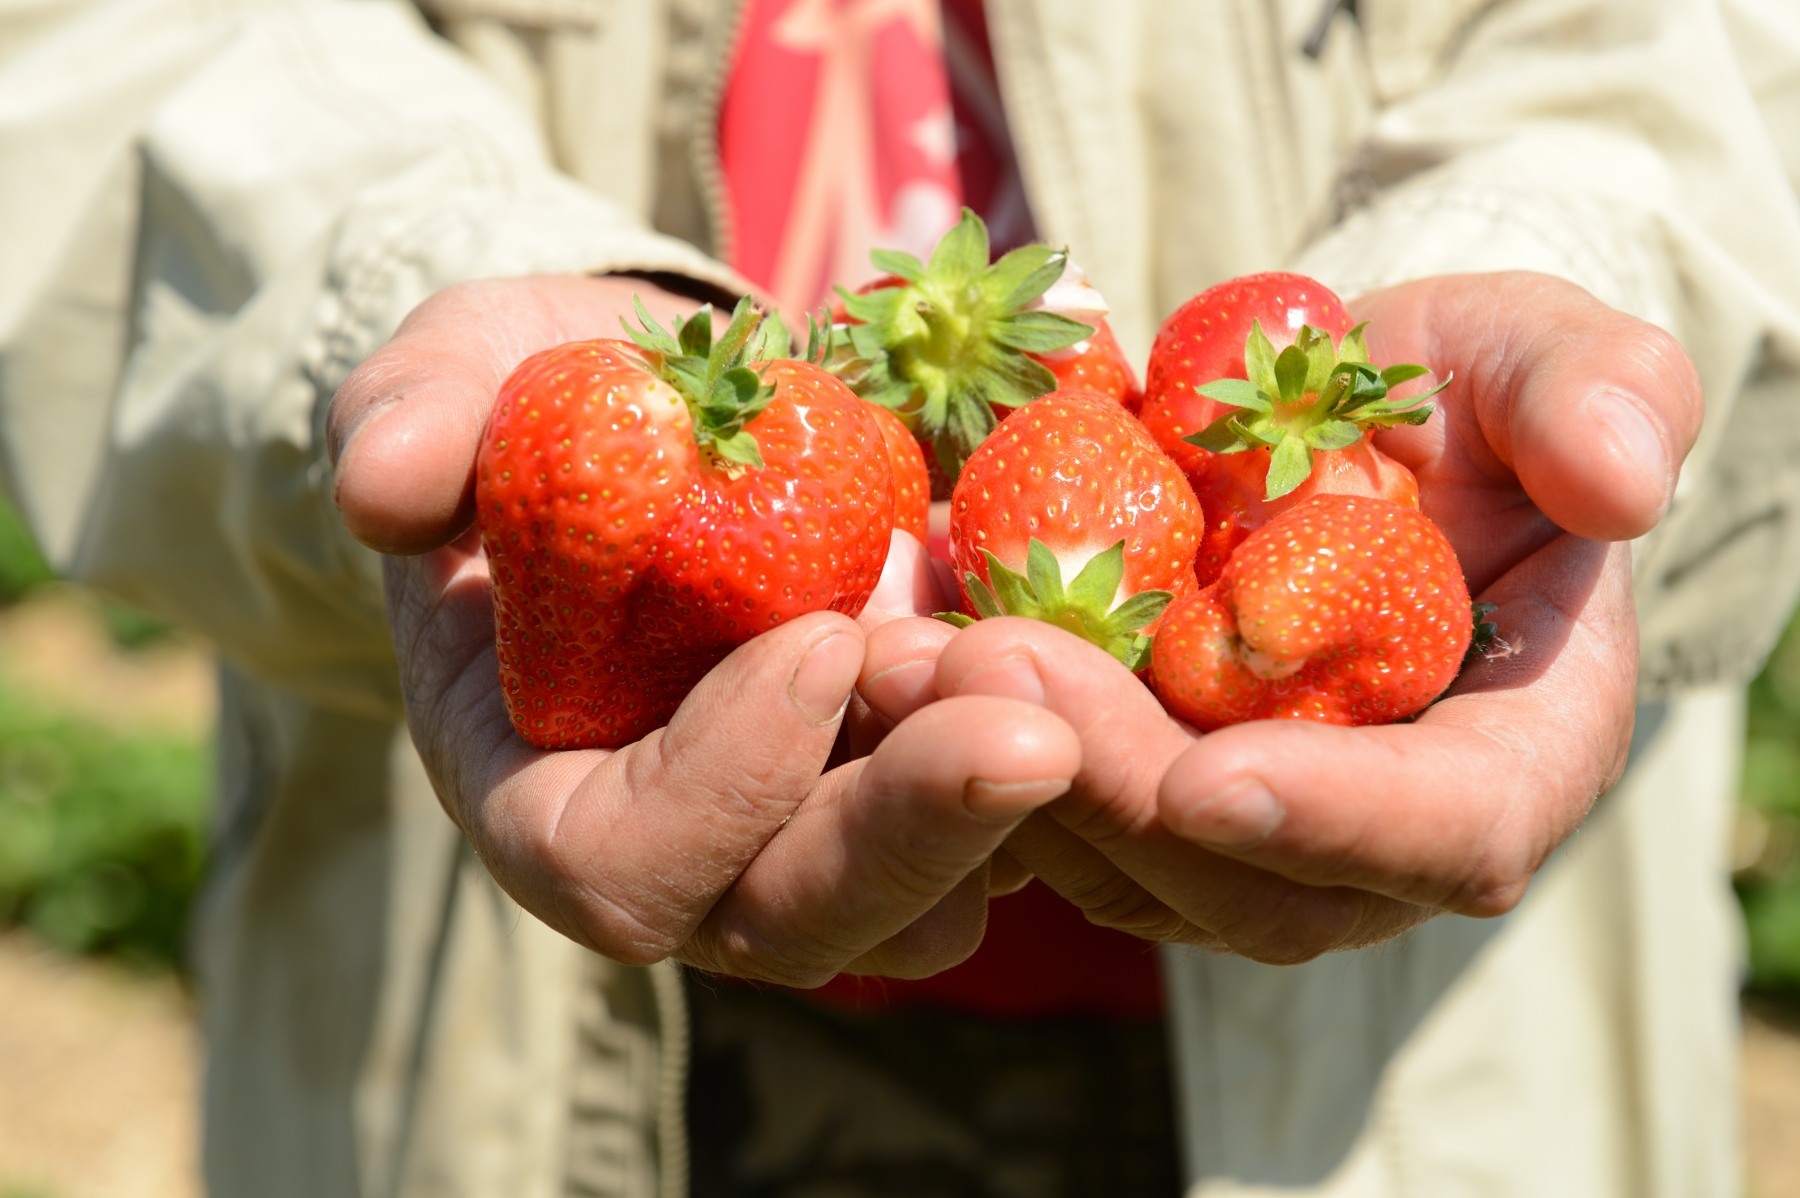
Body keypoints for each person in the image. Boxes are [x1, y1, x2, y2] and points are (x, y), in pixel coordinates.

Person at [2, 1, 1798, 1196]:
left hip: (1425, 1084)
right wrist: (404, 289)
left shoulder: (1242, 478)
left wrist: (1576, 265)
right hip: (515, 1054)